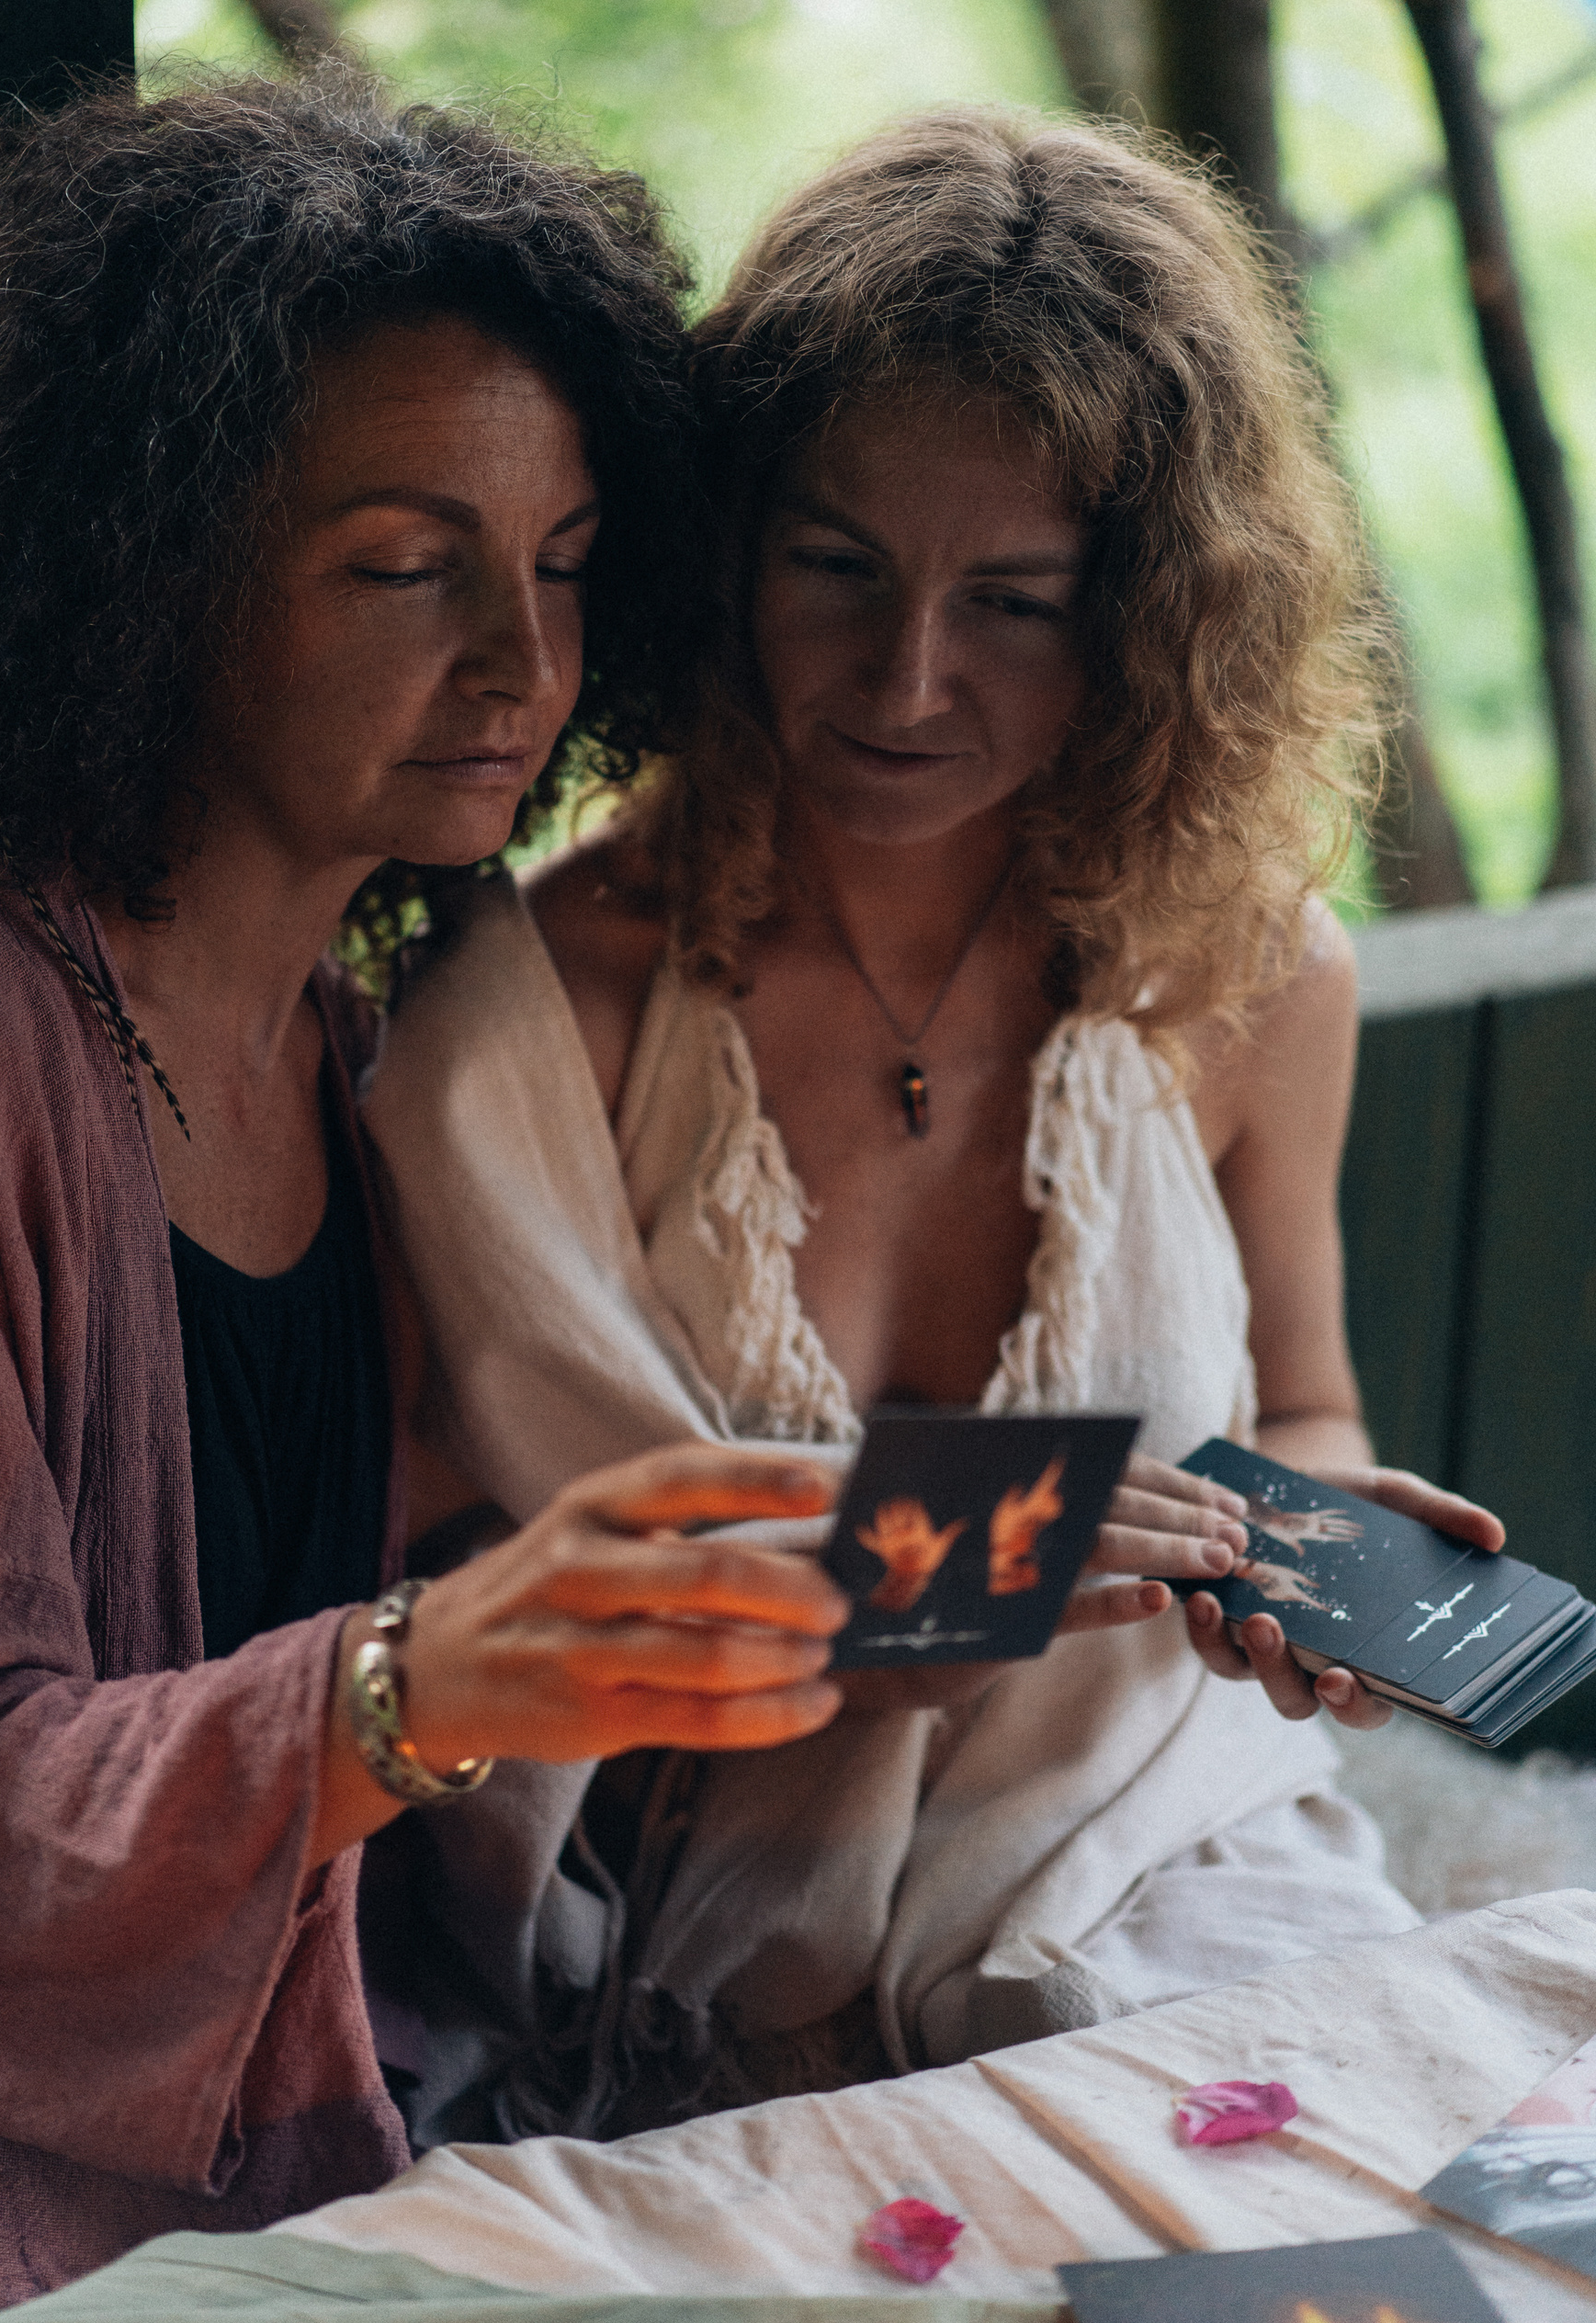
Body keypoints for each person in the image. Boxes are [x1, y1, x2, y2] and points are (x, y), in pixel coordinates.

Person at [365, 107, 1506, 2140]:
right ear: (719, 546)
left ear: (1157, 617)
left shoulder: (1245, 976)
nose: (904, 676)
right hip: (673, 1959)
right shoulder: (528, 1025)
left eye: (1018, 602)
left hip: (1163, 1870)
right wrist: (983, 1557)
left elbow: (1305, 1406)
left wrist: (1322, 1551)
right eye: (836, 566)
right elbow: (462, 1582)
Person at [0, 76, 867, 2323]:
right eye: (410, 567)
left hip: (335, 2128)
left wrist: (1025, 1566)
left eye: (569, 565)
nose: (523, 665)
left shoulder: (349, 1034)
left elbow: (414, 1608)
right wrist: (405, 1689)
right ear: (142, 562)